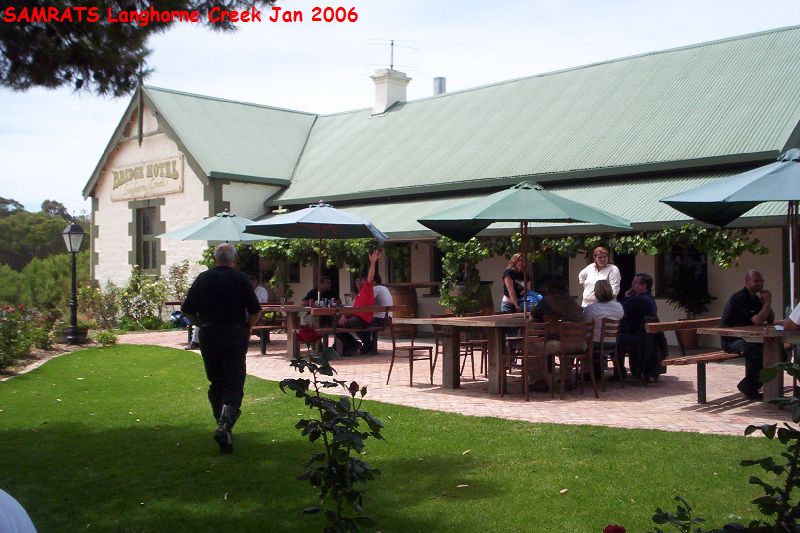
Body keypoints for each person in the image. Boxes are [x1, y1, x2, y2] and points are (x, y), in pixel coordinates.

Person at [181, 243, 261, 454]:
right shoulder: (241, 279)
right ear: (234, 259)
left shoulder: (203, 278)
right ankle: (224, 426)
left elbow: (186, 310)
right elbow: (255, 310)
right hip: (234, 334)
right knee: (233, 383)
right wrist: (248, 327)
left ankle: (223, 428)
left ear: (215, 259)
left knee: (216, 381)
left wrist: (201, 324)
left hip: (209, 334)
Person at [720, 270, 774, 401]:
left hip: (749, 339)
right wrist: (767, 303)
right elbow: (758, 321)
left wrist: (766, 304)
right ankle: (749, 386)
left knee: (777, 353)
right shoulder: (740, 298)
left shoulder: (755, 299)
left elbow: (770, 319)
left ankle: (752, 386)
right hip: (732, 340)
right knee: (759, 353)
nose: (759, 283)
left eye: (761, 281)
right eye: (756, 281)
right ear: (747, 282)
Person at [336, 250, 380, 355]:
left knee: (336, 327)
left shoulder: (367, 288)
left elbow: (370, 277)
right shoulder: (360, 294)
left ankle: (354, 344)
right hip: (359, 319)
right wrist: (344, 315)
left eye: (361, 280)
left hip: (362, 319)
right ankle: (364, 345)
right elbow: (353, 310)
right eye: (357, 280)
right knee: (336, 325)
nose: (359, 282)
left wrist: (373, 262)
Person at [617, 273, 658, 378]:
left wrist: (626, 297)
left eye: (635, 283)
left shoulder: (639, 300)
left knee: (613, 340)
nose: (632, 285)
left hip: (637, 337)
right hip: (644, 336)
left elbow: (618, 309)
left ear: (644, 285)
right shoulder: (649, 298)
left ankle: (619, 373)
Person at [583, 279, 625, 378]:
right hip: (613, 342)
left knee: (584, 341)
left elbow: (585, 323)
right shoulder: (619, 307)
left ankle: (590, 372)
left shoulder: (592, 308)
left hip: (595, 343)